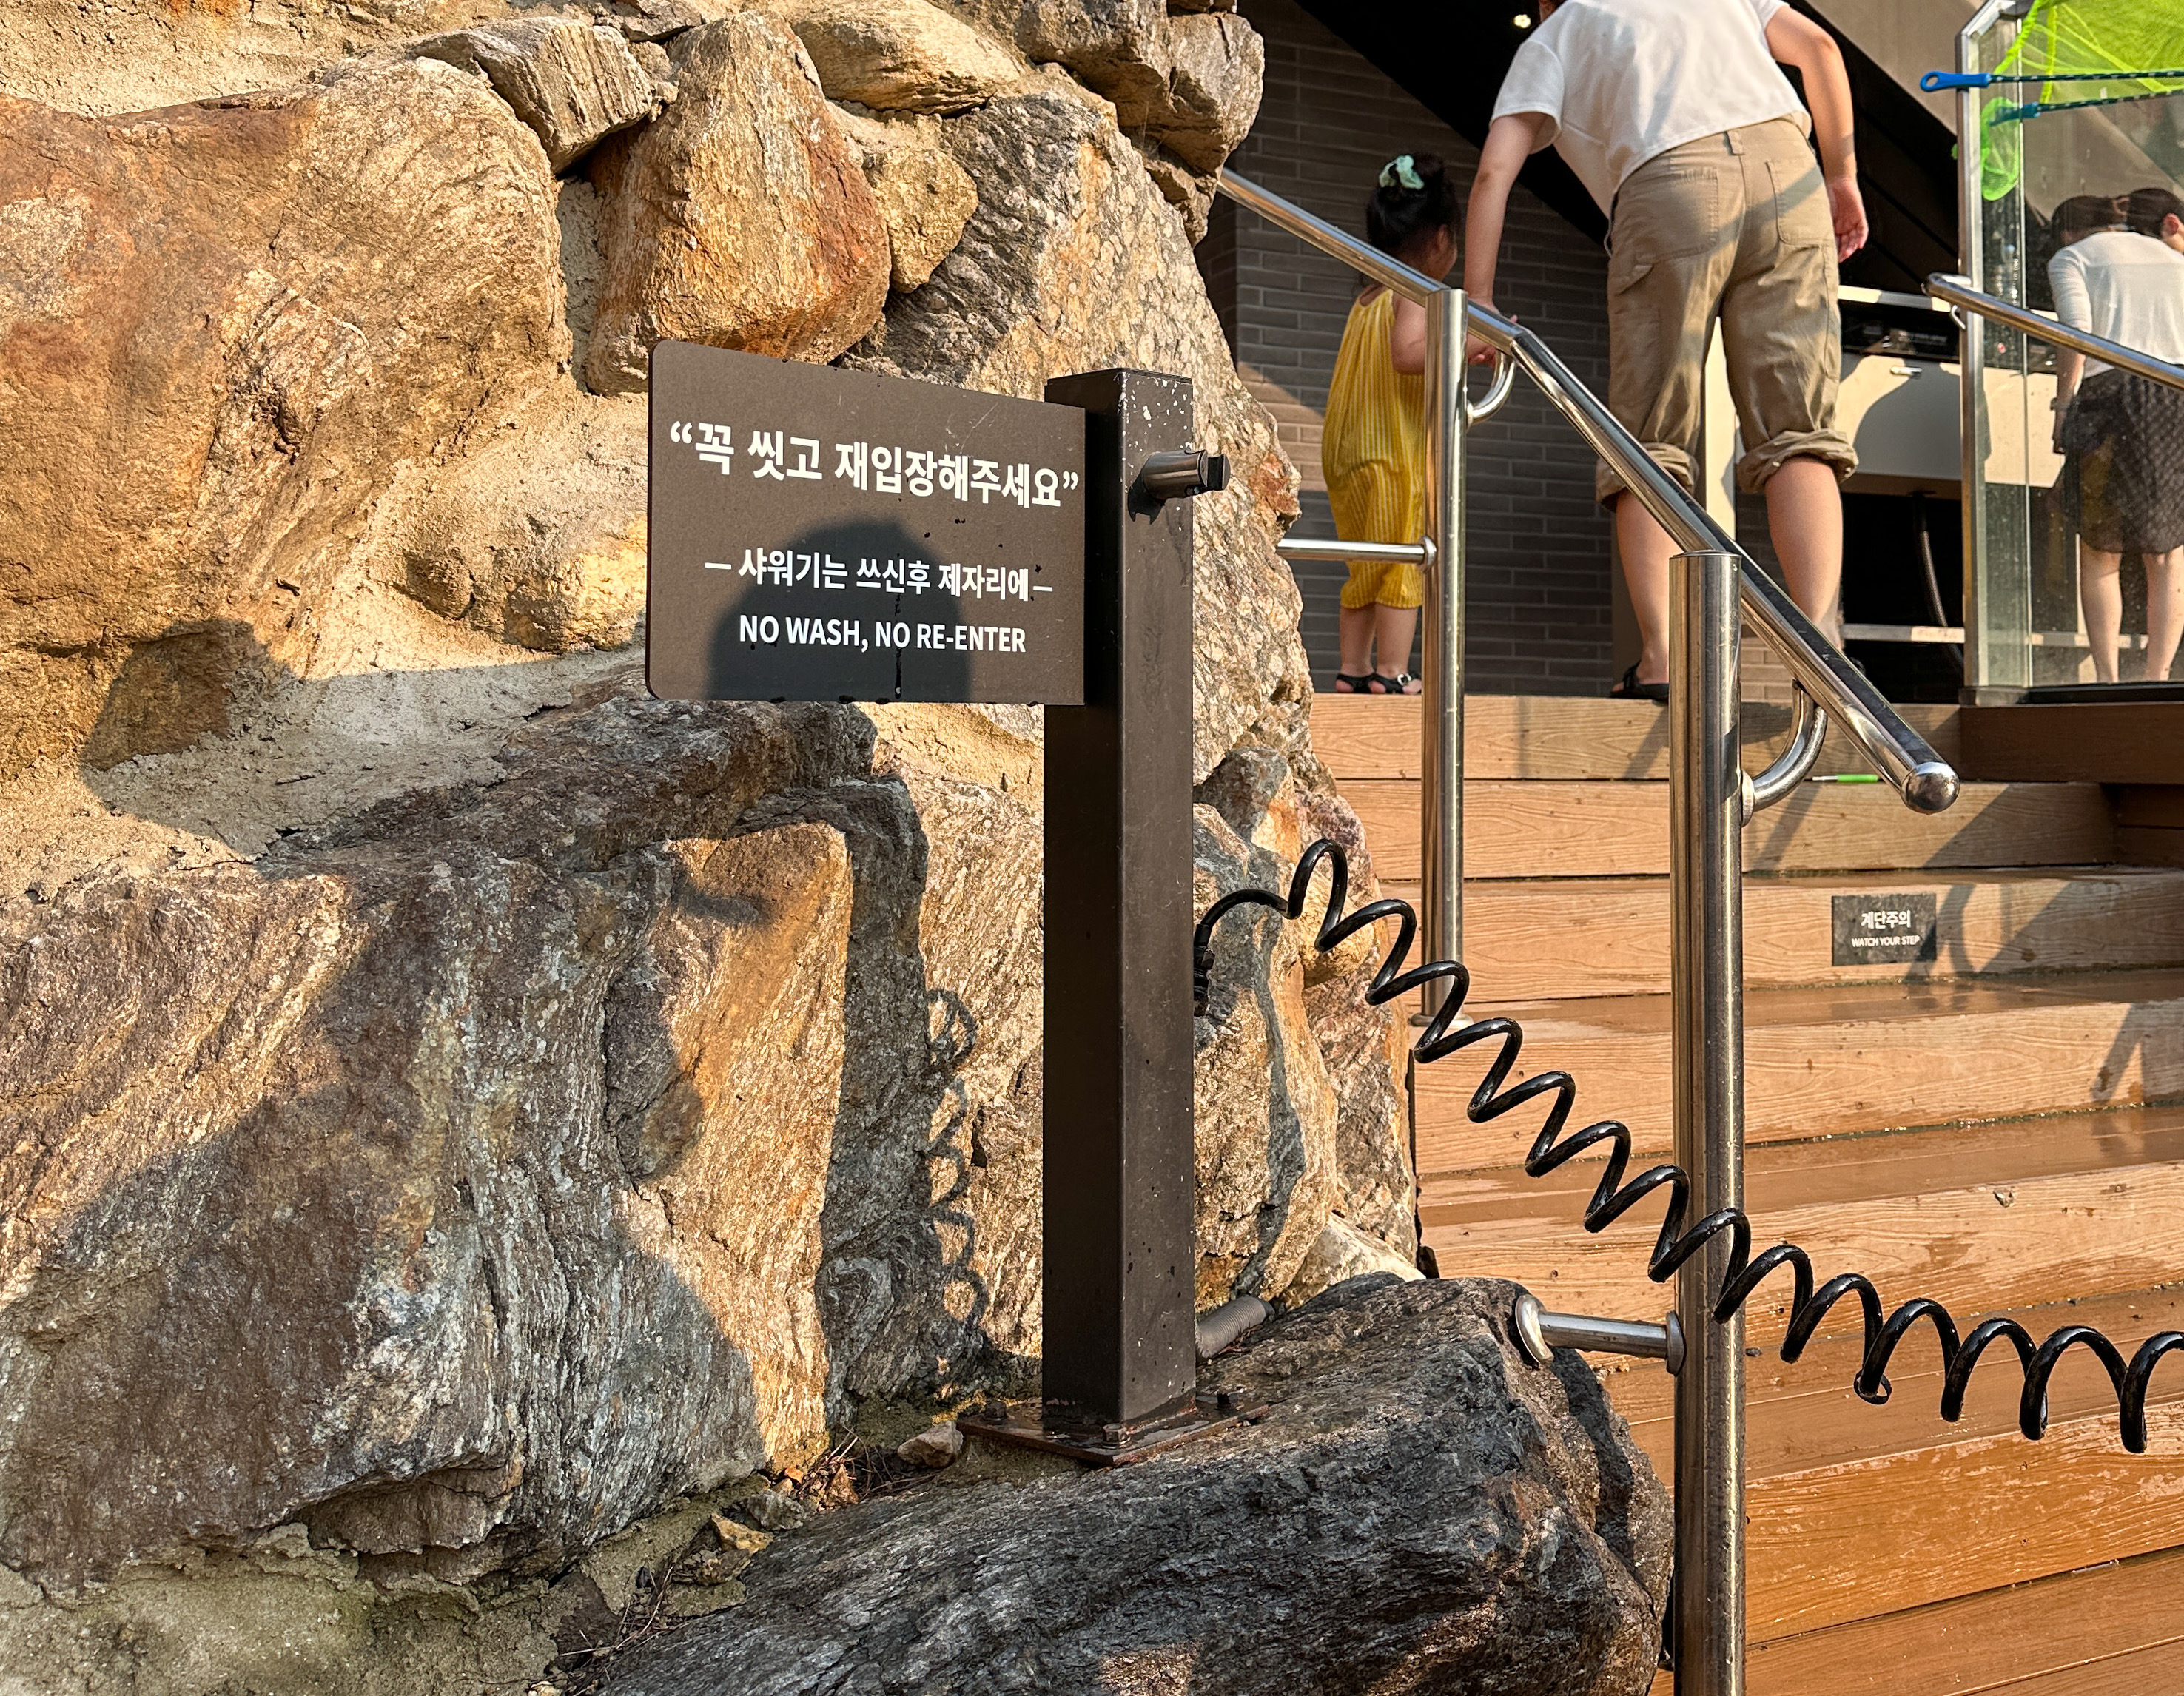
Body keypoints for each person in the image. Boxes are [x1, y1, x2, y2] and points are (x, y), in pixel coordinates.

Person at [1464, 0, 1867, 700]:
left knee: (1649, 440)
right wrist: (1841, 175)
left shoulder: (1561, 30)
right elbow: (1821, 52)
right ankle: (1821, 647)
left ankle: (1661, 663)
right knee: (1797, 430)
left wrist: (1478, 301)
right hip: (1788, 169)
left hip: (1670, 182)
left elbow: (1493, 173)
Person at [1321, 153, 1459, 695]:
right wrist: (1468, 343)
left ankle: (1352, 669)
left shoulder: (1368, 296)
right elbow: (1407, 354)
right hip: (1391, 450)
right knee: (1404, 556)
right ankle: (1393, 672)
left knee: (1365, 562)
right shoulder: (1415, 289)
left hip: (1348, 451)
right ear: (1442, 238)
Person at [2048, 186, 2184, 684]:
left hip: (2108, 396)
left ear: (2068, 232)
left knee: (2098, 547)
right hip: (2176, 395)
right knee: (2167, 553)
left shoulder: (2073, 257)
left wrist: (2063, 407)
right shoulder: (2174, 259)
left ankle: (2106, 678)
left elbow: (2075, 334)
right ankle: (2158, 676)